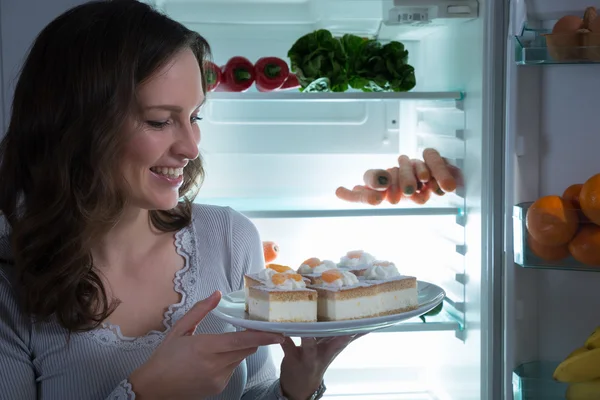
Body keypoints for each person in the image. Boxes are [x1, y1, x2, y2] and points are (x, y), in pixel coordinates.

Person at [0, 1, 360, 399]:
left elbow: (254, 390)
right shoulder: (9, 284)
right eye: (159, 120)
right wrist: (145, 392)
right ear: (76, 126)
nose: (191, 147)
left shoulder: (230, 236)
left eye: (195, 117)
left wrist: (297, 386)